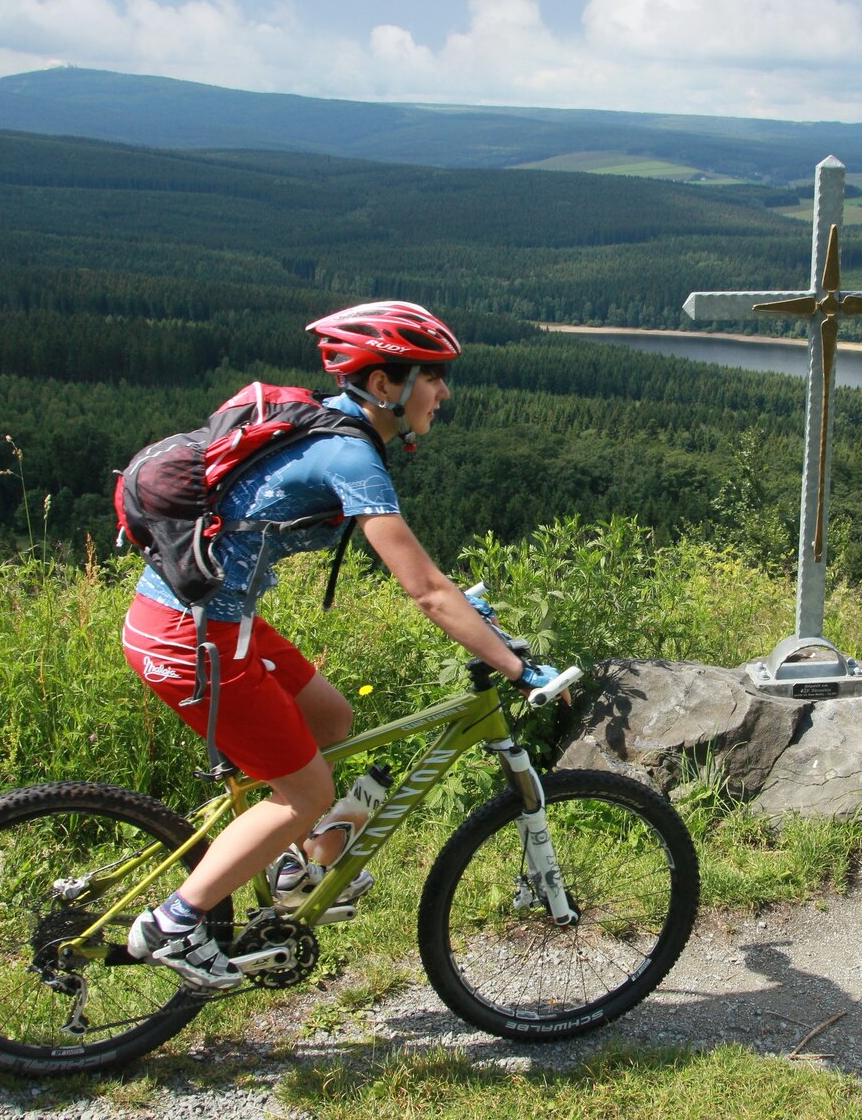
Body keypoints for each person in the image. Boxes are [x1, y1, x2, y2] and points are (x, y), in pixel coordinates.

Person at [120, 301, 557, 989]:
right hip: (191, 637)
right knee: (306, 790)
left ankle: (294, 866)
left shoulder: (332, 425)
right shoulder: (350, 452)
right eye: (432, 376)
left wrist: (476, 618)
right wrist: (519, 666)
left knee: (331, 719)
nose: (444, 392)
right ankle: (175, 922)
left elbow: (435, 588)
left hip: (205, 621)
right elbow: (426, 590)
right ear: (384, 384)